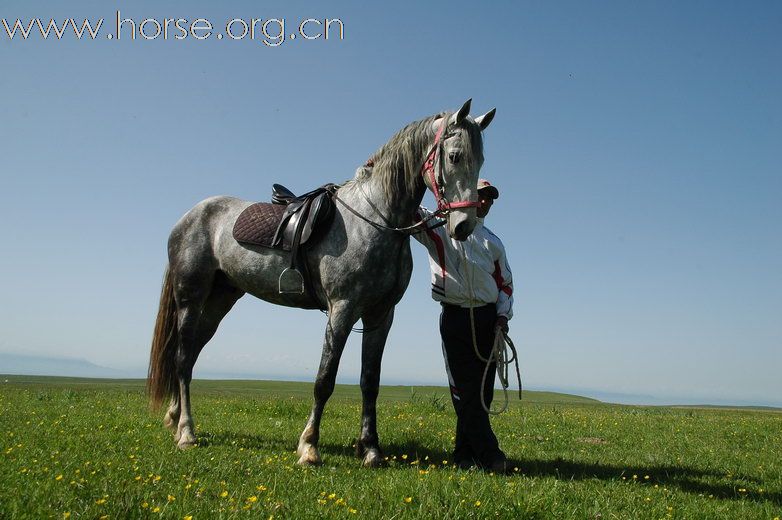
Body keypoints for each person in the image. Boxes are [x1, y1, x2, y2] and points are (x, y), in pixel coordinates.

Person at [413, 178, 513, 472]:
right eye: (481, 196)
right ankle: (491, 455)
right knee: (462, 389)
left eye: (490, 199)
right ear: (468, 196)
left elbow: (505, 284)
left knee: (483, 391)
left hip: (487, 319)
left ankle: (463, 456)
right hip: (456, 316)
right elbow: (411, 212)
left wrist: (502, 317)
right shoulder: (440, 230)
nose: (486, 203)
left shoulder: (494, 242)